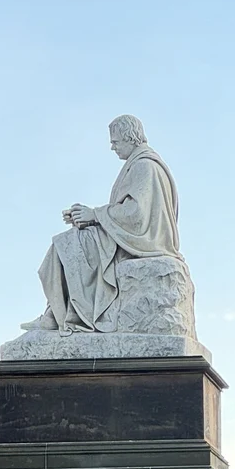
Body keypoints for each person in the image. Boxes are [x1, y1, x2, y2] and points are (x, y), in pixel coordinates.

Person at [22, 115, 182, 334]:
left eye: (115, 142)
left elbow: (136, 214)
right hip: (129, 236)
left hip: (141, 241)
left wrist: (94, 215)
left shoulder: (144, 166)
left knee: (68, 244)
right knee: (71, 241)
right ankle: (56, 312)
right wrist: (87, 217)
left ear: (130, 138)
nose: (112, 147)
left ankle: (60, 315)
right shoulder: (139, 164)